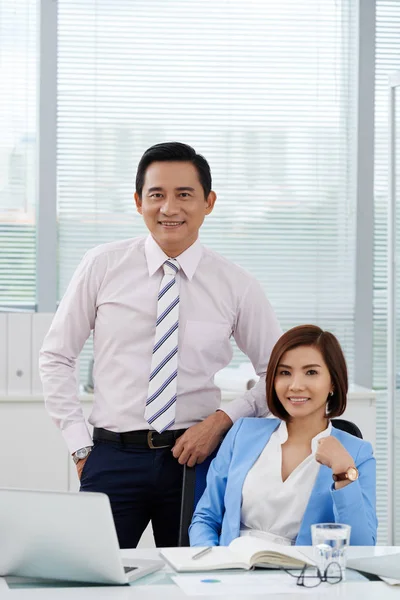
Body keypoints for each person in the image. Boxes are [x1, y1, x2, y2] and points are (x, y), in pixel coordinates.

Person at [39, 141, 282, 549]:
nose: (170, 208)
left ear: (209, 202)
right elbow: (56, 356)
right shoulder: (102, 266)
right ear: (138, 202)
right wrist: (80, 448)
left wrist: (222, 420)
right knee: (91, 579)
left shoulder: (237, 284)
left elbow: (276, 374)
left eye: (184, 194)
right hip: (111, 457)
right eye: (157, 195)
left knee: (198, 580)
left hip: (196, 458)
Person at [189, 325, 377, 547]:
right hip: (232, 569)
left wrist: (344, 472)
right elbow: (205, 519)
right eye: (285, 373)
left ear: (333, 382)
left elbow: (361, 547)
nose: (295, 386)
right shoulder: (242, 434)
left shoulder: (357, 453)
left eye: (311, 372)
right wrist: (212, 564)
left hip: (301, 575)